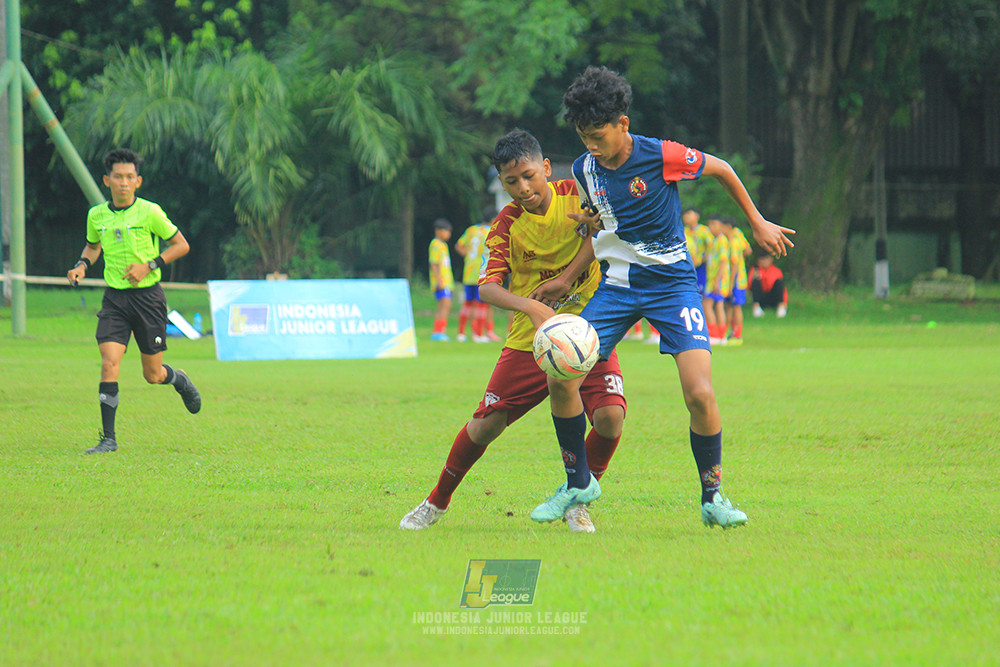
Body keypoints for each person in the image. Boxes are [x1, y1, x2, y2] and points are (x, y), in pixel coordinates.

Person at [533, 66, 794, 528]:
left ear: (623, 124)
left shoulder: (661, 155)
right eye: (583, 136)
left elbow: (722, 168)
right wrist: (569, 276)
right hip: (616, 286)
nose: (591, 145)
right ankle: (578, 482)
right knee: (561, 376)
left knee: (700, 393)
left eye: (598, 135)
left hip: (673, 286)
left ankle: (713, 497)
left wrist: (756, 221)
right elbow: (604, 226)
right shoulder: (584, 169)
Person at [399, 129, 627, 533]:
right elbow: (488, 287)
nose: (522, 188)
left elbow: (611, 231)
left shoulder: (580, 195)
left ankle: (577, 500)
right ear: (502, 184)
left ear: (545, 168)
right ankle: (435, 502)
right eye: (511, 181)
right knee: (485, 425)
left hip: (585, 333)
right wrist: (532, 307)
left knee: (610, 417)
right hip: (531, 341)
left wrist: (591, 236)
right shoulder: (507, 224)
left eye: (528, 176)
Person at [66, 148, 201, 454]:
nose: (123, 182)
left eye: (129, 177)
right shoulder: (96, 215)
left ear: (138, 181)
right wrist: (81, 266)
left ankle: (179, 380)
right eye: (118, 177)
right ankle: (108, 439)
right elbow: (92, 247)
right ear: (107, 180)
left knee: (152, 374)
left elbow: (181, 245)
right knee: (109, 363)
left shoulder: (150, 212)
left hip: (148, 299)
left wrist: (149, 265)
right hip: (115, 300)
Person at [454, 210, 502, 343]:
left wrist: (469, 257)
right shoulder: (491, 231)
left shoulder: (472, 230)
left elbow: (459, 245)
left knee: (468, 302)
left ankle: (461, 333)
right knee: (482, 304)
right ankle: (478, 334)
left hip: (469, 271)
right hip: (482, 271)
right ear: (493, 219)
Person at [724, 217, 752, 345]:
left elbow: (734, 263)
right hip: (737, 277)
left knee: (736, 306)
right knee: (729, 306)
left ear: (727, 227)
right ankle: (728, 333)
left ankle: (737, 334)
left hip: (736, 278)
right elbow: (748, 250)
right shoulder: (738, 234)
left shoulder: (734, 241)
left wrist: (730, 284)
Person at [704, 215, 731, 345]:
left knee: (714, 305)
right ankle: (719, 335)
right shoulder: (714, 240)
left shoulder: (722, 240)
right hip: (712, 278)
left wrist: (717, 281)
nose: (711, 227)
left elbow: (723, 261)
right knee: (712, 305)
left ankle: (718, 335)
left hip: (719, 279)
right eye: (710, 224)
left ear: (721, 226)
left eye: (714, 224)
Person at [428, 218, 454, 341]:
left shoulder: (443, 245)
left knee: (443, 306)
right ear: (438, 231)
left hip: (446, 281)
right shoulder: (435, 244)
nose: (448, 234)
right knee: (445, 305)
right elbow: (433, 263)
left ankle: (438, 331)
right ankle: (439, 331)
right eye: (446, 231)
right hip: (441, 282)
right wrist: (439, 280)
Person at [749, 252, 788, 318]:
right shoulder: (755, 270)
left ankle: (781, 307)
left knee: (779, 282)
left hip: (772, 297)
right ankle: (756, 307)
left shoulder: (776, 271)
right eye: (763, 259)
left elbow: (783, 289)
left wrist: (785, 302)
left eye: (766, 259)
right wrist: (753, 277)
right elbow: (749, 287)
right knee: (756, 281)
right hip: (761, 297)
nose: (765, 261)